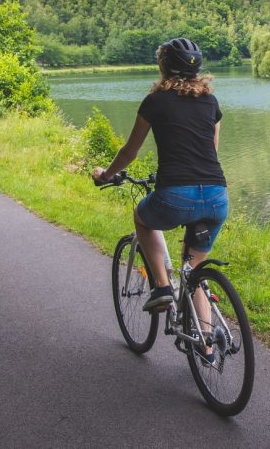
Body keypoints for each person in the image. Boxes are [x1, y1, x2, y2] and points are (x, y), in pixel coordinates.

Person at [93, 38, 228, 316]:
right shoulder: (211, 102)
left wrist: (106, 175)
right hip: (217, 196)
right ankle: (206, 340)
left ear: (163, 66)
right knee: (193, 270)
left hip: (175, 195)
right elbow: (211, 151)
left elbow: (130, 151)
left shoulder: (155, 101)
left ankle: (162, 287)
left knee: (143, 218)